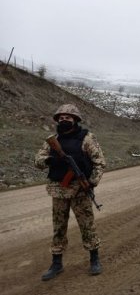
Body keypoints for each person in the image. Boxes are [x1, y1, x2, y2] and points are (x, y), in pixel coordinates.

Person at [35, 104, 106, 281]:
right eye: (61, 117)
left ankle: (94, 259)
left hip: (80, 191)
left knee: (87, 226)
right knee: (58, 228)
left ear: (75, 120)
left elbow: (99, 163)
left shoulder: (87, 138)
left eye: (68, 117)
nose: (64, 120)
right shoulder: (53, 140)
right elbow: (38, 160)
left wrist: (91, 183)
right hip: (58, 190)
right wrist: (51, 160)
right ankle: (56, 263)